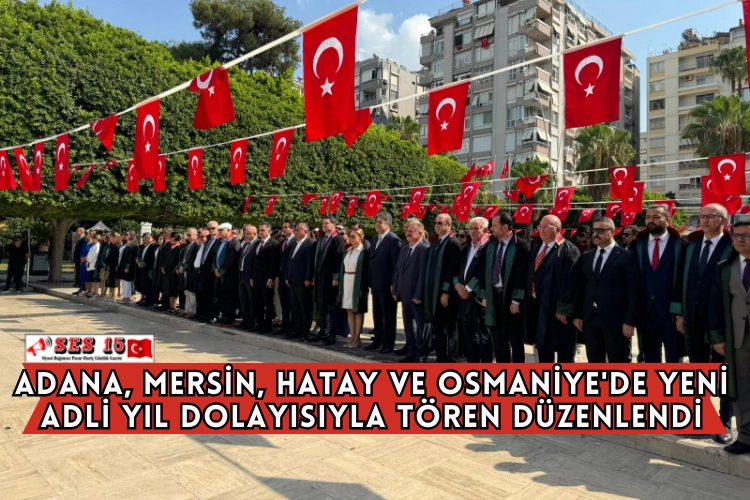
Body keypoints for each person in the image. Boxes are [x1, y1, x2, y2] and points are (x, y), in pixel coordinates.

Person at [673, 203, 734, 443]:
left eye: (710, 216)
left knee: (723, 371)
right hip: (694, 318)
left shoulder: (732, 246)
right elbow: (680, 280)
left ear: (723, 221)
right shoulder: (691, 247)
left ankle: (724, 421)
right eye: (702, 216)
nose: (704, 220)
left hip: (723, 321)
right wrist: (679, 314)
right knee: (698, 369)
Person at [708, 221, 750, 455]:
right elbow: (714, 306)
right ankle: (745, 436)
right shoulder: (725, 268)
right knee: (742, 388)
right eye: (737, 236)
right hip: (739, 339)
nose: (740, 239)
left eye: (746, 235)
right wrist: (717, 338)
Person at [573, 217, 639, 363]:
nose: (596, 234)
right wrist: (578, 315)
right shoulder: (586, 257)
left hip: (617, 322)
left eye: (601, 230)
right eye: (594, 230)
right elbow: (581, 288)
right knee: (594, 361)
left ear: (612, 232)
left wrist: (630, 321)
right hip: (590, 320)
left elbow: (634, 292)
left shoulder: (627, 257)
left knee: (619, 362)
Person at [628, 205, 684, 363]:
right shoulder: (637, 245)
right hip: (646, 312)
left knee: (674, 357)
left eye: (656, 217)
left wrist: (680, 312)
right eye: (648, 217)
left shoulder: (680, 244)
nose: (650, 220)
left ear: (668, 220)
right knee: (650, 357)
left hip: (671, 312)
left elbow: (683, 280)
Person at [478, 212, 531, 363]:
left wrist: (516, 300)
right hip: (494, 296)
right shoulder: (491, 246)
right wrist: (484, 296)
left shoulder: (521, 246)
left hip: (510, 299)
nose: (491, 229)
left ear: (505, 227)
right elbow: (483, 271)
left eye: (494, 226)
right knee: (498, 339)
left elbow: (523, 275)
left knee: (515, 339)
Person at [527, 215, 580, 363]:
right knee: (543, 348)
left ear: (558, 230)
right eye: (540, 226)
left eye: (546, 227)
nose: (541, 230)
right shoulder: (537, 248)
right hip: (539, 306)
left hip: (558, 309)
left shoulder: (569, 250)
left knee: (564, 350)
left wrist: (564, 309)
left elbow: (571, 282)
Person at [424, 213, 462, 362]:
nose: (437, 225)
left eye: (440, 223)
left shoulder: (453, 243)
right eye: (435, 223)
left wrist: (446, 291)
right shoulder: (435, 244)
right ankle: (440, 358)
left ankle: (451, 359)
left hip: (447, 295)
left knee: (449, 328)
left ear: (449, 225)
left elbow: (452, 270)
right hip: (434, 294)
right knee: (438, 328)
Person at [453, 217, 490, 363]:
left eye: (476, 228)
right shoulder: (466, 248)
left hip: (478, 298)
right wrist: (458, 286)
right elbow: (456, 270)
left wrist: (467, 288)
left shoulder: (487, 248)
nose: (473, 231)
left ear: (485, 230)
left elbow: (483, 272)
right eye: (471, 228)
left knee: (483, 336)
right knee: (469, 335)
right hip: (462, 298)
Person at [392, 219, 430, 362]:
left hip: (416, 295)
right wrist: (396, 290)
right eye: (406, 230)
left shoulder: (425, 249)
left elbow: (423, 275)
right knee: (409, 326)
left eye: (411, 231)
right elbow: (398, 270)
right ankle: (411, 351)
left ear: (420, 233)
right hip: (405, 293)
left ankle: (421, 354)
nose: (407, 233)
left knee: (420, 327)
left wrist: (419, 294)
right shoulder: (405, 248)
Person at [365, 212, 402, 354]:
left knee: (388, 315)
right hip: (375, 283)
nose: (377, 224)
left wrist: (394, 284)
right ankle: (377, 340)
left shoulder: (393, 240)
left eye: (380, 222)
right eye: (377, 221)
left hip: (387, 285)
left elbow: (395, 265)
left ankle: (388, 343)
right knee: (377, 314)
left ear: (388, 224)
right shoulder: (375, 238)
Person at [311, 216, 346, 345]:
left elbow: (339, 259)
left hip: (331, 279)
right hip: (320, 278)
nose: (324, 225)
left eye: (326, 223)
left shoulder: (337, 239)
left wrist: (336, 277)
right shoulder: (321, 239)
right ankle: (323, 331)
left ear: (333, 225)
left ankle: (332, 334)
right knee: (322, 306)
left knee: (332, 306)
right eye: (323, 223)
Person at [336, 228, 369, 349]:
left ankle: (357, 338)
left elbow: (366, 270)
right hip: (347, 281)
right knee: (349, 310)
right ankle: (352, 337)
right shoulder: (348, 250)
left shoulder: (364, 252)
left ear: (360, 237)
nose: (351, 238)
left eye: (354, 236)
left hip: (357, 282)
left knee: (358, 311)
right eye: (350, 236)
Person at [286, 222, 315, 340]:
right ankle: (297, 330)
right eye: (295, 230)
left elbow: (309, 263)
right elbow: (290, 262)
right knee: (296, 307)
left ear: (306, 232)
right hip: (293, 280)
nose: (296, 232)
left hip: (303, 281)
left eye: (298, 230)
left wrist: (308, 278)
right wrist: (287, 276)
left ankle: (305, 332)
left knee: (305, 308)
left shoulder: (310, 244)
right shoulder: (294, 243)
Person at [251, 222, 280, 333]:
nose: (260, 232)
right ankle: (260, 323)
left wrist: (271, 277)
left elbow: (274, 262)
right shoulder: (257, 243)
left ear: (269, 231)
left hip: (267, 278)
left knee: (267, 302)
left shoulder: (274, 244)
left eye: (263, 230)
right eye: (260, 230)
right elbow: (255, 261)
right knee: (258, 302)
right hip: (257, 278)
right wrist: (252, 277)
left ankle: (267, 325)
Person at [197, 221, 220, 322]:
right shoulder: (209, 240)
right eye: (209, 228)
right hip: (204, 271)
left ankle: (213, 315)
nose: (211, 230)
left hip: (212, 272)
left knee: (213, 295)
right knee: (205, 293)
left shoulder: (219, 240)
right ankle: (206, 314)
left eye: (213, 228)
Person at [238, 225, 258, 330]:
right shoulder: (245, 244)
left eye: (248, 233)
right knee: (243, 299)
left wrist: (252, 277)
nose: (246, 235)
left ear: (255, 234)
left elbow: (255, 262)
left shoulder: (257, 244)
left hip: (250, 276)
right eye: (245, 233)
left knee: (252, 300)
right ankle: (244, 320)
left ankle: (251, 322)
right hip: (242, 275)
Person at [278, 220, 296, 335]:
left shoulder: (295, 242)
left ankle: (292, 327)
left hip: (290, 278)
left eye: (286, 227)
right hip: (281, 277)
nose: (283, 229)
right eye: (283, 227)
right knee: (284, 304)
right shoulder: (282, 242)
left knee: (292, 304)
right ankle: (285, 326)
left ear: (292, 229)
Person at [178, 228, 200, 318]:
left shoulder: (197, 245)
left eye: (190, 235)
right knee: (186, 291)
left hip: (191, 271)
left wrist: (185, 267)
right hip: (184, 271)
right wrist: (180, 266)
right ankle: (187, 310)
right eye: (187, 235)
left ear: (195, 235)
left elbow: (193, 259)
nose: (188, 237)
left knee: (191, 291)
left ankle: (192, 311)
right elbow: (181, 257)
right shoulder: (187, 245)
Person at [136, 233, 156, 307]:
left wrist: (144, 264)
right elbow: (140, 256)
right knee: (145, 285)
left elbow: (152, 258)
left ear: (149, 238)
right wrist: (139, 262)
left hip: (149, 268)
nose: (143, 241)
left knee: (149, 286)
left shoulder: (153, 246)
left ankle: (150, 302)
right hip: (142, 269)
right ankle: (146, 300)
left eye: (144, 240)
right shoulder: (144, 246)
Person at [119, 233, 139, 302]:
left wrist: (127, 267)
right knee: (124, 281)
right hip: (124, 266)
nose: (128, 241)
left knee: (128, 282)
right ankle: (125, 295)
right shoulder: (127, 247)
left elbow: (130, 258)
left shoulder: (134, 247)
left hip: (130, 268)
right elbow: (123, 258)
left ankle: (128, 296)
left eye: (129, 239)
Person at [105, 233, 121, 300]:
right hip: (111, 265)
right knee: (111, 280)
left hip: (115, 265)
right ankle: (111, 294)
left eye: (111, 237)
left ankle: (114, 295)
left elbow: (118, 257)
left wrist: (117, 265)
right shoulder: (113, 246)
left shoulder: (117, 246)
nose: (110, 239)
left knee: (114, 280)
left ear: (115, 238)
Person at [84, 231, 100, 298]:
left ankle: (95, 292)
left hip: (93, 264)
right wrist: (87, 260)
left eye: (93, 239)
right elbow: (89, 254)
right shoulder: (93, 246)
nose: (92, 240)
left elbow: (95, 255)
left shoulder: (97, 246)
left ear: (96, 239)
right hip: (89, 264)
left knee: (94, 280)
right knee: (90, 279)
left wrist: (89, 261)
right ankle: (90, 291)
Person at [94, 234, 110, 298]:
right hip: (101, 262)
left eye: (104, 235)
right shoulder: (102, 244)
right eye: (102, 235)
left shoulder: (108, 245)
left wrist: (104, 263)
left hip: (105, 263)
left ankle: (104, 292)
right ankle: (102, 292)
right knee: (102, 278)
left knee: (105, 279)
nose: (102, 237)